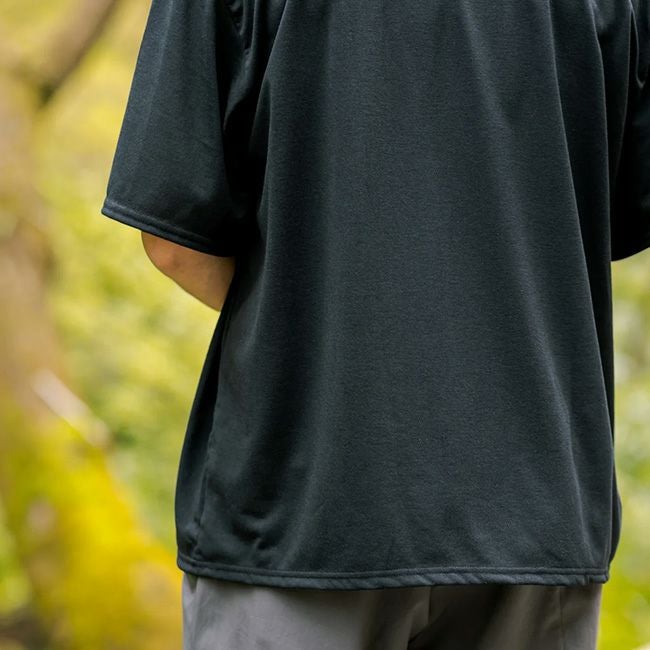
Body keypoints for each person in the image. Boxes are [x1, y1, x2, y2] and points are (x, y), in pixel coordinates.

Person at [100, 0, 650, 647]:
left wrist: (319, 324)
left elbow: (175, 239)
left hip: (302, 508)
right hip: (538, 509)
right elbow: (602, 216)